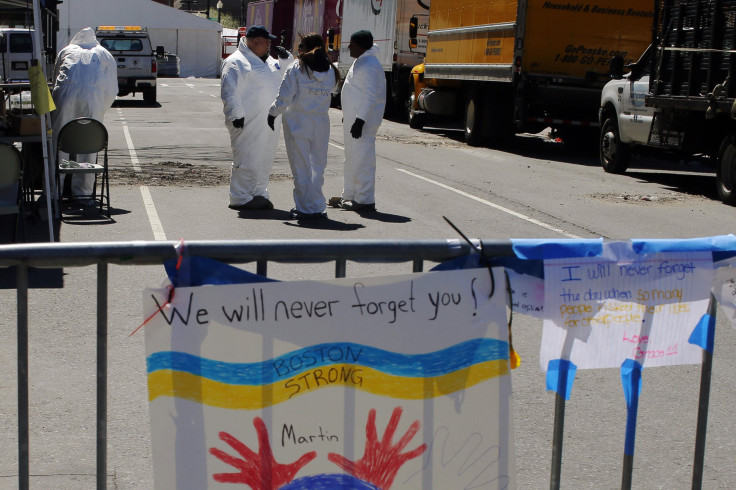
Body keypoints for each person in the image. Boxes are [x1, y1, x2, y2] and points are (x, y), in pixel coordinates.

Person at [221, 25, 293, 211]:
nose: (269, 45)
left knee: (264, 158)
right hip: (247, 120)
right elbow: (230, 91)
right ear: (253, 41)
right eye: (266, 41)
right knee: (247, 157)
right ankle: (240, 196)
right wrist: (235, 114)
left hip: (268, 120)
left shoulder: (268, 61)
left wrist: (286, 61)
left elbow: (284, 79)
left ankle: (258, 192)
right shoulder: (236, 62)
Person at [267, 33, 339, 220]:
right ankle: (316, 204)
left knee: (301, 165)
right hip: (321, 121)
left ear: (305, 48)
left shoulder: (297, 68)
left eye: (300, 46)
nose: (298, 50)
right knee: (317, 165)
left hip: (298, 120)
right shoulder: (330, 69)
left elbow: (284, 98)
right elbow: (333, 90)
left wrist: (273, 112)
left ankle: (305, 207)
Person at [51, 27, 118, 205]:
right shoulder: (104, 54)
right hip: (92, 99)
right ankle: (83, 193)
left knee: (59, 142)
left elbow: (55, 78)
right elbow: (112, 90)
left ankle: (53, 191)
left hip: (64, 97)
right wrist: (100, 109)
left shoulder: (66, 51)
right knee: (89, 144)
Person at [329, 30, 386, 212]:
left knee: (362, 159)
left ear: (361, 46)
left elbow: (370, 96)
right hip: (354, 118)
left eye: (352, 44)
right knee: (352, 158)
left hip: (363, 121)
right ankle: (350, 195)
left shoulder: (369, 64)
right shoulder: (362, 61)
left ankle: (364, 199)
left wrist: (360, 120)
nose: (348, 48)